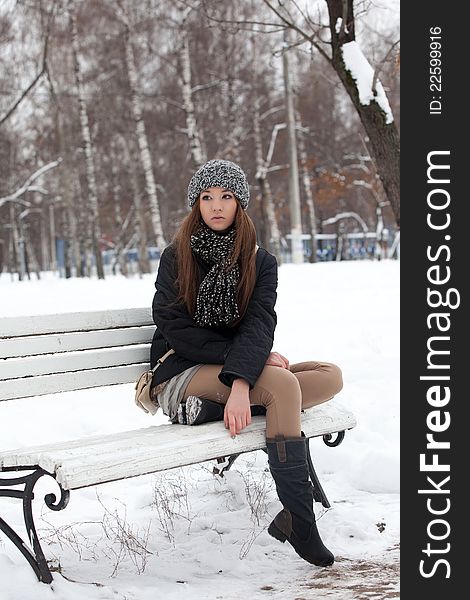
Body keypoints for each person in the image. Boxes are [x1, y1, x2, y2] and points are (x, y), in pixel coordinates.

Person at [149, 158, 343, 567]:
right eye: (207, 197)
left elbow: (259, 322)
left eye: (226, 196)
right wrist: (247, 368)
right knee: (283, 387)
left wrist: (244, 378)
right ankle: (300, 521)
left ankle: (220, 408)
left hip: (227, 373)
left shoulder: (260, 262)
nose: (216, 205)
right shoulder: (176, 257)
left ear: (240, 204)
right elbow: (174, 328)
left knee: (329, 376)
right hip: (179, 371)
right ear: (195, 204)